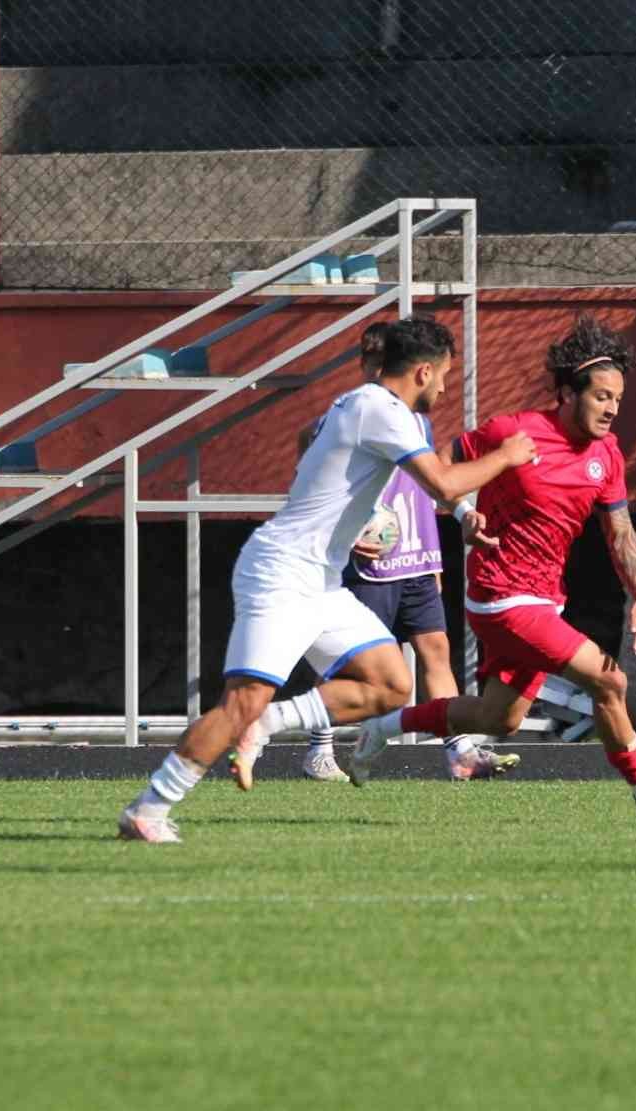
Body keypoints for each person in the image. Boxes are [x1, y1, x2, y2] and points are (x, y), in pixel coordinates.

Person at [117, 316, 537, 842]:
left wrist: (462, 515)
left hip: (319, 582)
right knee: (240, 700)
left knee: (389, 684)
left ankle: (266, 723)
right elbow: (443, 479)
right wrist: (507, 456)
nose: (447, 388)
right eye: (445, 377)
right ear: (424, 372)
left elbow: (432, 489)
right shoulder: (380, 409)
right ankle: (150, 807)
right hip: (283, 574)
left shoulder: (366, 406)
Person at [349, 315, 636, 821]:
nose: (612, 409)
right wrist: (461, 513)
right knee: (609, 682)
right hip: (500, 596)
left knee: (499, 718)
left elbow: (620, 533)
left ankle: (384, 727)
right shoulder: (514, 431)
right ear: (567, 392)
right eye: (601, 396)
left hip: (545, 599)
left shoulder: (606, 454)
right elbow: (440, 464)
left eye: (617, 399)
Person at [234, 323, 520, 785]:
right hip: (372, 563)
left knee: (435, 650)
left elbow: (436, 479)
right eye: (364, 358)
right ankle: (319, 747)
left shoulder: (412, 417)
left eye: (375, 355)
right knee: (353, 663)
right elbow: (311, 442)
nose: (369, 365)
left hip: (418, 555)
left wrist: (461, 513)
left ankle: (459, 752)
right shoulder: (360, 410)